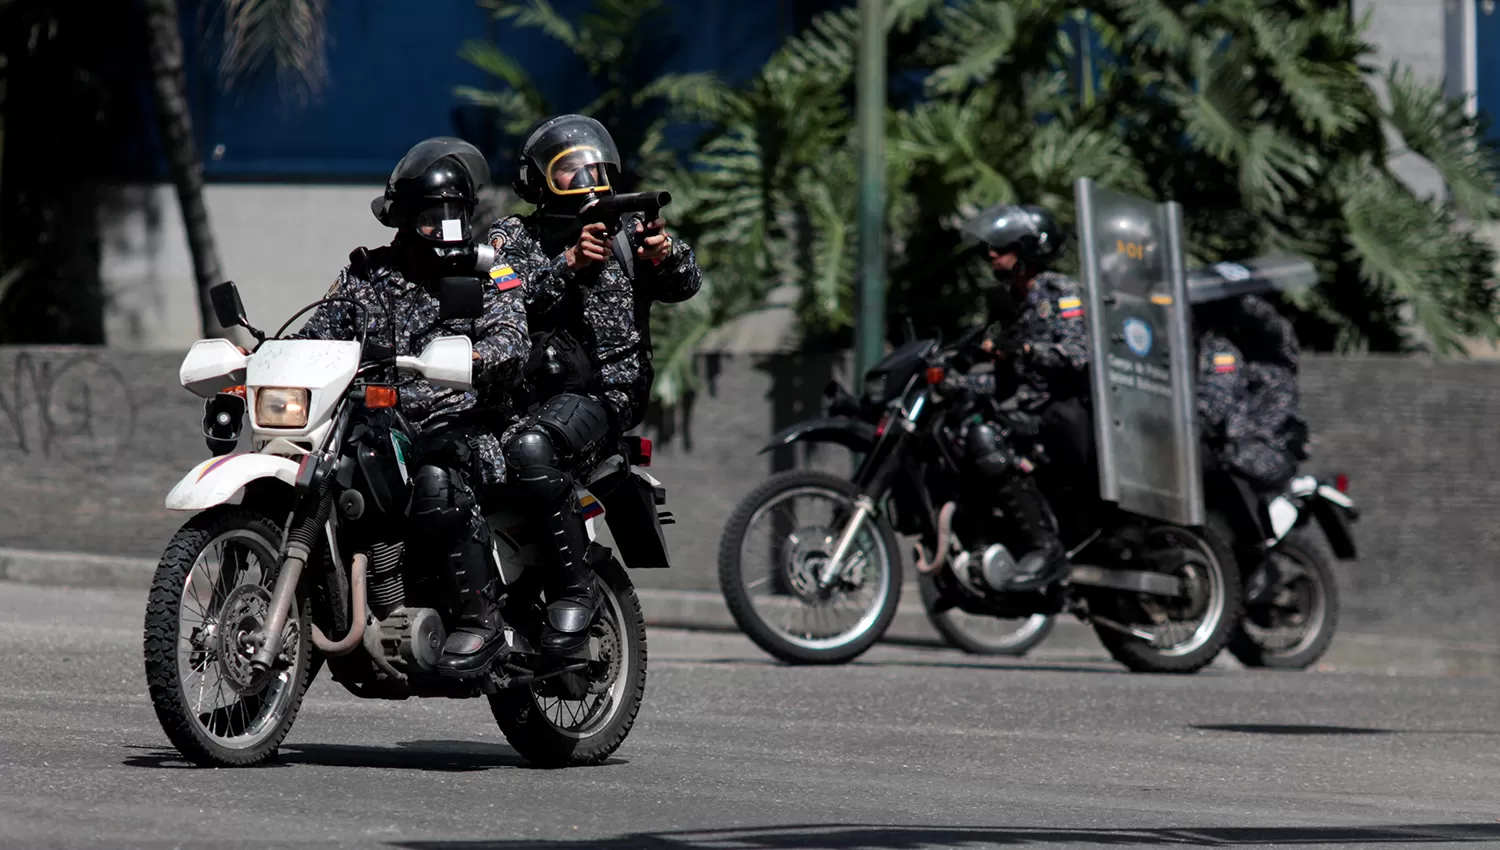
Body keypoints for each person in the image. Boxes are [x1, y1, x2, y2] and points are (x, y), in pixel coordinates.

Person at [293, 137, 530, 677]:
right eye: (430, 218)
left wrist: (475, 357)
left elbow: (513, 339)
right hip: (376, 426)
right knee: (324, 474)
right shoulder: (366, 277)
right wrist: (265, 354)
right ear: (403, 218)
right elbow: (317, 334)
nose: (444, 229)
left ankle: (481, 620)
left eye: (455, 216)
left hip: (468, 425)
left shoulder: (487, 271)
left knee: (434, 476)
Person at [484, 114, 703, 653]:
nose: (584, 179)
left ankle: (573, 592)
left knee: (532, 450)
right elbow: (500, 304)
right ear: (537, 179)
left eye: (594, 167)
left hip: (604, 396)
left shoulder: (627, 232)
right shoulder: (512, 236)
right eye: (567, 170)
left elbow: (686, 283)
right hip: (520, 394)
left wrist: (665, 254)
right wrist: (567, 264)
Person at [945, 203, 1088, 592]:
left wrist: (1023, 351)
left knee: (987, 440)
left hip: (1059, 414)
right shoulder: (1009, 304)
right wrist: (952, 381)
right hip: (1024, 408)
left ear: (1030, 250)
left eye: (1003, 246)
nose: (992, 254)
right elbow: (1003, 377)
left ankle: (1045, 546)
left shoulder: (1062, 294)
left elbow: (1078, 356)